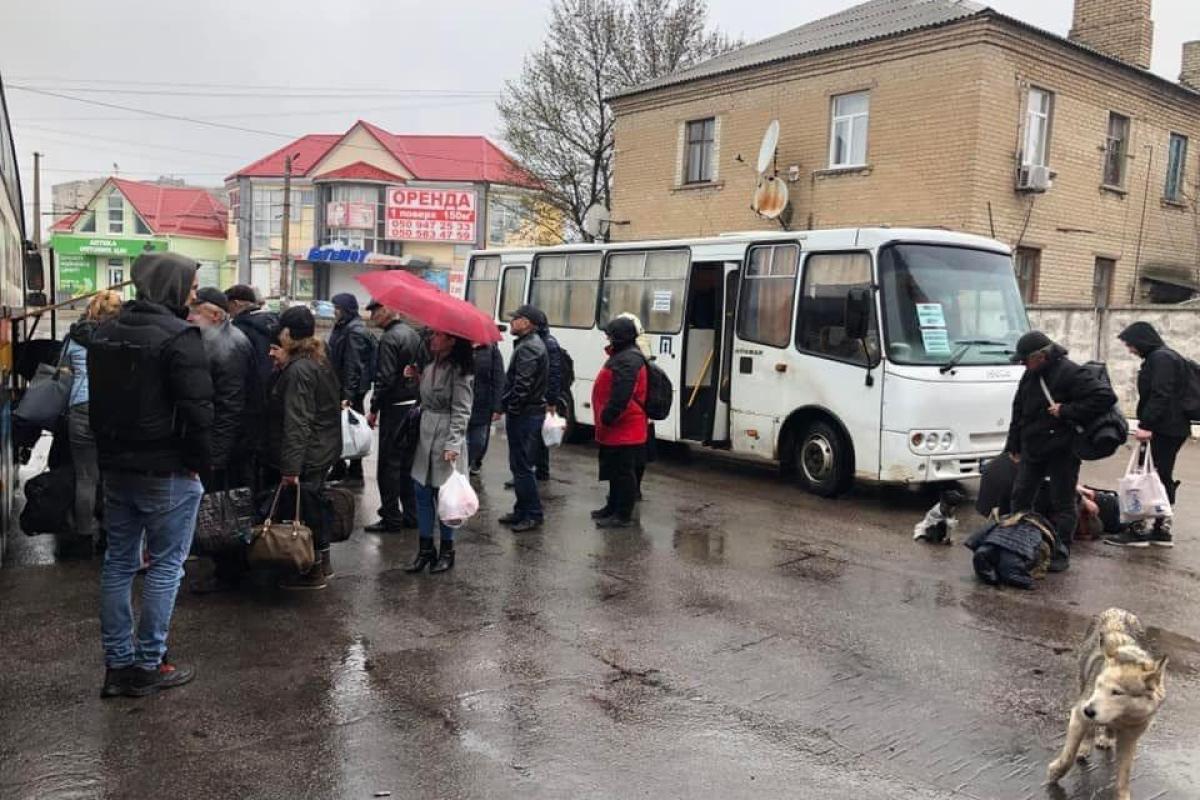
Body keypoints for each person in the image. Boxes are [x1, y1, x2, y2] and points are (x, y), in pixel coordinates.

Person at [88, 252, 213, 699]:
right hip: (169, 470)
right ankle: (147, 664)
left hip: (117, 469)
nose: (193, 294)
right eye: (191, 286)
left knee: (118, 564)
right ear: (172, 286)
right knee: (166, 567)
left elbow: (97, 408)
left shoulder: (104, 334)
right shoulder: (180, 337)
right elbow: (199, 412)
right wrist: (203, 463)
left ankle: (118, 665)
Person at [1005, 331, 1116, 572]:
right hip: (1032, 447)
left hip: (1062, 450)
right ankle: (1017, 543)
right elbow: (1018, 408)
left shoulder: (1071, 372)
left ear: (1041, 356)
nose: (1022, 364)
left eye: (1025, 359)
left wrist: (1067, 410)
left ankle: (1060, 551)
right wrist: (1013, 445)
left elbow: (1105, 396)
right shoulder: (1030, 374)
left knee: (1062, 502)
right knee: (1021, 496)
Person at [261, 306, 342, 590]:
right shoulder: (317, 359)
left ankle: (313, 570)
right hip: (321, 448)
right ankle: (321, 564)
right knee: (314, 505)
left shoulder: (300, 370)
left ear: (288, 335)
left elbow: (298, 421)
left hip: (309, 453)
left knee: (307, 510)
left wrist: (291, 467)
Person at [188, 288, 256, 593]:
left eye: (197, 311)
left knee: (225, 506)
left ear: (215, 315)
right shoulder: (220, 338)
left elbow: (231, 405)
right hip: (228, 441)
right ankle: (228, 567)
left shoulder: (228, 346)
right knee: (224, 506)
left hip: (230, 444)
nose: (191, 317)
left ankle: (230, 572)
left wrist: (217, 454)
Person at [1107, 322, 1189, 548]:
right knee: (1160, 475)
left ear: (1142, 340)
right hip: (1172, 428)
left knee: (1146, 477)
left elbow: (1161, 394)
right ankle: (1160, 529)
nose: (1130, 350)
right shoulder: (1166, 357)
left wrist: (1146, 425)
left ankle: (1140, 529)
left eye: (1131, 345)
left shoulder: (1160, 359)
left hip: (1163, 428)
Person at [405, 331, 474, 573]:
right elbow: (427, 399)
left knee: (446, 498)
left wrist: (453, 444)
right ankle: (425, 550)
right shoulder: (431, 365)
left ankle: (447, 550)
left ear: (452, 341)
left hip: (446, 438)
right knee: (421, 493)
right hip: (425, 436)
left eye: (438, 335)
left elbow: (462, 410)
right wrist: (417, 379)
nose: (432, 339)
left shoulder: (460, 371)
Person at [63, 290, 123, 550]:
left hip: (79, 406)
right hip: (112, 408)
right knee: (111, 476)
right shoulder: (119, 336)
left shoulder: (74, 335)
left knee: (86, 476)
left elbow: (63, 367)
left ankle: (84, 535)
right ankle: (110, 534)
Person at [365, 300, 423, 533]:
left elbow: (386, 378)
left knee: (388, 465)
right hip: (414, 404)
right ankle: (412, 514)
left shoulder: (389, 338)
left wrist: (374, 407)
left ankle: (391, 516)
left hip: (395, 406)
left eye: (376, 311)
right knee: (407, 464)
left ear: (388, 311)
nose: (372, 317)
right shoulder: (413, 334)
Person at [590, 317, 649, 528]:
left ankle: (622, 514)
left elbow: (622, 394)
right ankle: (612, 506)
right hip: (618, 428)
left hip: (625, 428)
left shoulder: (628, 360)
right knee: (614, 471)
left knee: (624, 473)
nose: (607, 337)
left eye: (610, 334)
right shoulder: (624, 355)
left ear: (619, 337)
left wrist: (608, 415)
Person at [499, 305, 549, 532]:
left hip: (526, 414)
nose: (511, 322)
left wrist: (512, 408)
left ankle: (533, 513)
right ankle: (521, 510)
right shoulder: (529, 344)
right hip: (528, 412)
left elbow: (522, 385)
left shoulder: (529, 348)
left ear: (527, 323)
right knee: (518, 464)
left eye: (515, 318)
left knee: (522, 467)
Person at [225, 284, 277, 489]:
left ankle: (248, 506)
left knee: (246, 462)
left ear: (236, 303)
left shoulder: (240, 329)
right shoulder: (273, 323)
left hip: (249, 404)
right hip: (271, 399)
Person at [327, 292, 376, 485]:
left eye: (337, 308)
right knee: (341, 428)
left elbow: (352, 365)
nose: (334, 312)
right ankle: (340, 468)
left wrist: (347, 395)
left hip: (350, 389)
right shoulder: (345, 326)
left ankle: (355, 472)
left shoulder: (354, 330)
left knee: (353, 429)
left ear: (346, 309)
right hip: (343, 386)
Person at [617, 311, 656, 500]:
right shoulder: (643, 344)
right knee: (638, 456)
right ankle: (634, 490)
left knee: (630, 459)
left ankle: (631, 493)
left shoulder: (633, 350)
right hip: (642, 411)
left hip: (636, 412)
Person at [534, 308, 563, 482]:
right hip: (542, 396)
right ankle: (540, 471)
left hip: (541, 397)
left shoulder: (546, 344)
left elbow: (554, 374)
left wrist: (551, 400)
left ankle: (539, 471)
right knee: (539, 435)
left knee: (536, 436)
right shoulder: (544, 341)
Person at [468, 343, 505, 476]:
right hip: (462, 402)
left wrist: (497, 406)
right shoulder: (460, 345)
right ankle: (462, 469)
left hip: (482, 403)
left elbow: (499, 378)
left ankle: (475, 461)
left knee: (479, 441)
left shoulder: (491, 350)